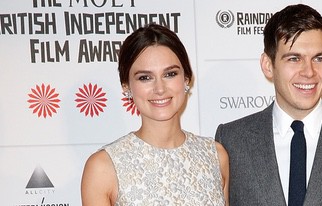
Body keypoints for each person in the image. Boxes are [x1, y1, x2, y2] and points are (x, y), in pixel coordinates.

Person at [215, 4, 322, 206]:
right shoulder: (231, 141)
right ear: (268, 65)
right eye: (294, 58)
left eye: (319, 58)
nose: (309, 72)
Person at [81, 23, 229, 205]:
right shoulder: (103, 167)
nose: (159, 89)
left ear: (186, 79)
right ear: (126, 87)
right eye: (145, 77)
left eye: (170, 74)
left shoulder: (215, 155)